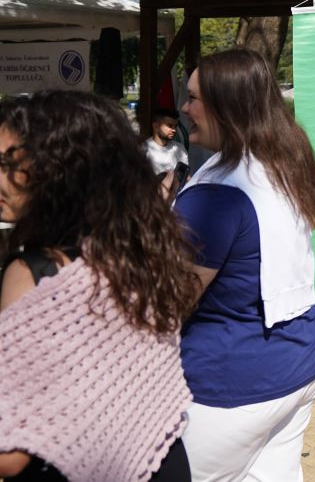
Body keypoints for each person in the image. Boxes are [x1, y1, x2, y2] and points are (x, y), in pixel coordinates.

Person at [0, 91, 199, 481]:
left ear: (60, 171)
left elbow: (9, 454)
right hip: (163, 463)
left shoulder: (36, 273)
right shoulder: (139, 248)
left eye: (8, 163)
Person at [176, 49, 315, 481]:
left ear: (228, 105)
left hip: (231, 382)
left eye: (193, 98)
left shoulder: (217, 193)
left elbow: (168, 301)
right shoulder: (282, 163)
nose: (184, 108)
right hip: (298, 362)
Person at [146, 106, 189, 175]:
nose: (174, 130)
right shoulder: (143, 150)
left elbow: (185, 176)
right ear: (156, 127)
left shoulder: (180, 148)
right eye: (170, 126)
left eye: (175, 126)